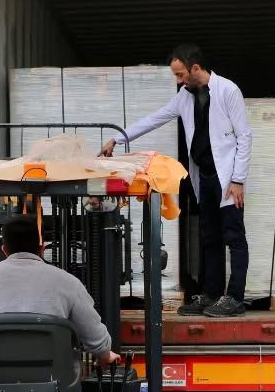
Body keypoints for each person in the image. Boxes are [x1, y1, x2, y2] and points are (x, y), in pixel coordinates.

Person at [101, 43, 252, 318]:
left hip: (228, 178)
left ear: (196, 68)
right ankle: (210, 295)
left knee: (234, 236)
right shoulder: (185, 97)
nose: (178, 81)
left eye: (181, 74)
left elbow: (244, 136)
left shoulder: (228, 91)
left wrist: (238, 180)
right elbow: (154, 119)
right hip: (204, 177)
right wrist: (117, 138)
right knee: (209, 237)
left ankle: (235, 298)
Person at [0, 215, 121, 369]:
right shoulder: (68, 282)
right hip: (54, 386)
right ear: (42, 248)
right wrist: (105, 355)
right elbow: (97, 339)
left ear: (4, 250)